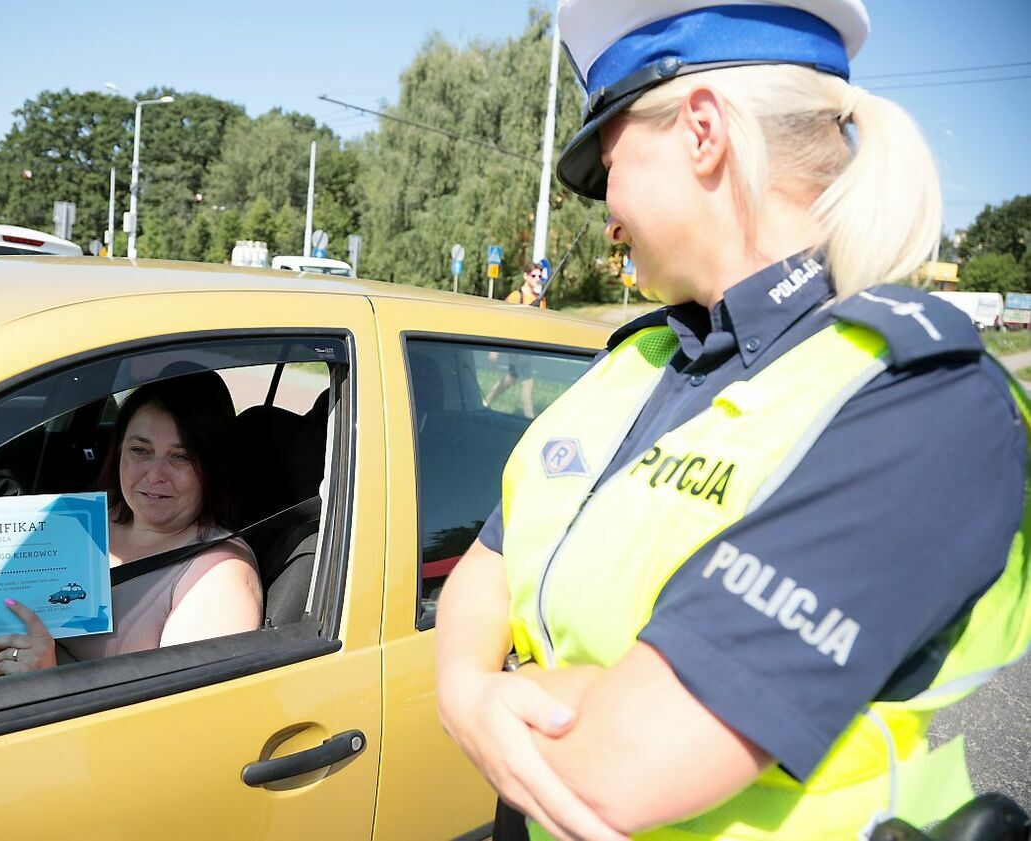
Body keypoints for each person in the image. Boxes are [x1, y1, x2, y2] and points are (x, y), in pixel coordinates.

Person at [435, 2, 1031, 840]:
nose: (608, 212)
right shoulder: (638, 360)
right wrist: (468, 692)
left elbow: (619, 768)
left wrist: (490, 694)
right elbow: (489, 563)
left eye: (608, 166)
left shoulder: (920, 401)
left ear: (702, 132)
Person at [0, 373, 263, 676]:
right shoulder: (84, 525)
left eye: (180, 457)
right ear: (118, 450)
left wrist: (49, 678)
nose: (154, 474)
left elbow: (185, 724)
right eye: (140, 450)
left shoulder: (219, 575)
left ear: (212, 465)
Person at [484, 263, 550, 416]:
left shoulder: (541, 300)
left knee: (511, 378)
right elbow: (503, 321)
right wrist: (496, 348)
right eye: (534, 276)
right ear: (526, 276)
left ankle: (486, 402)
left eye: (540, 276)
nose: (537, 279)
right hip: (517, 346)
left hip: (529, 347)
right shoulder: (516, 297)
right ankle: (529, 419)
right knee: (528, 383)